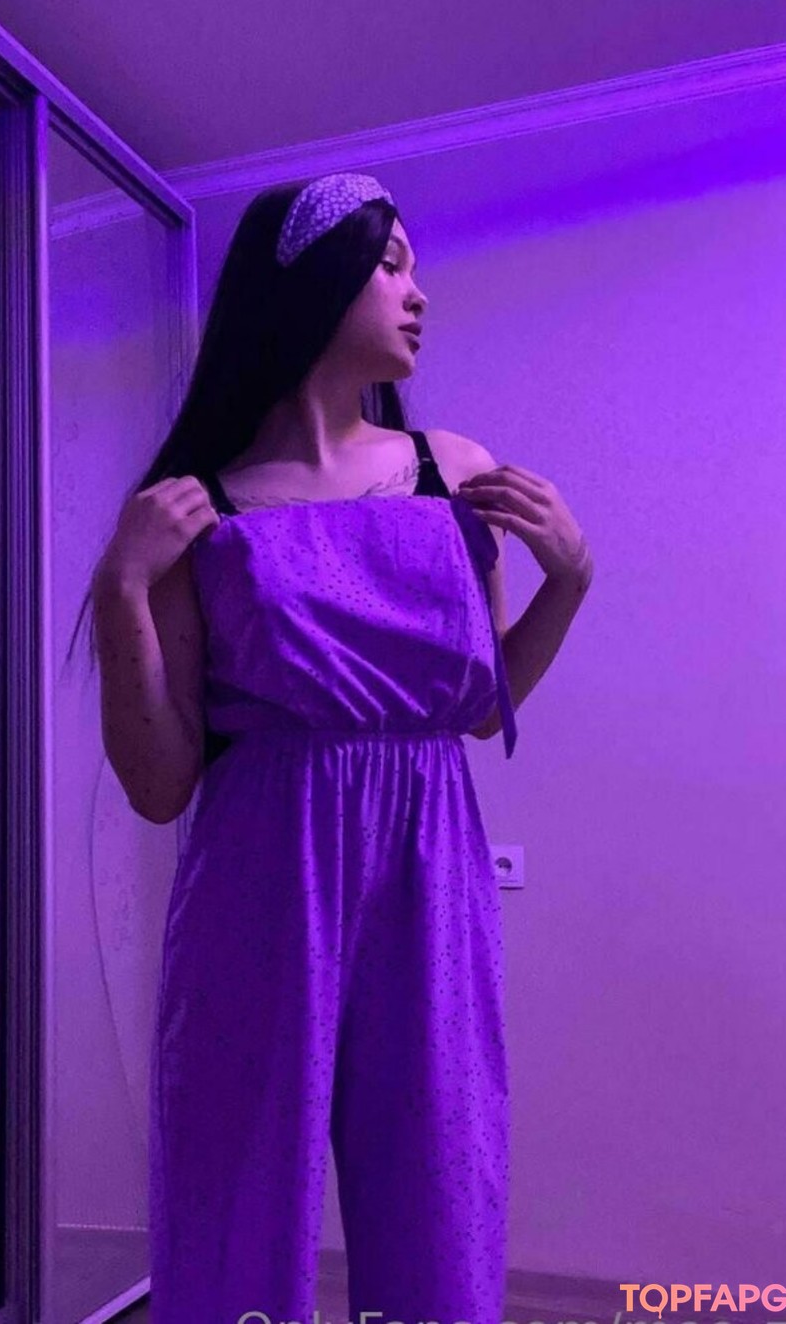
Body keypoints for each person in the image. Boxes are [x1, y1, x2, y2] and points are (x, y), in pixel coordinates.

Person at [70, 172, 593, 1324]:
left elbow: (478, 703)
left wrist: (571, 581)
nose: (418, 292)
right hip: (258, 871)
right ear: (311, 281)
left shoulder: (452, 472)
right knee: (232, 1160)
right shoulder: (197, 509)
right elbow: (159, 781)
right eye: (391, 263)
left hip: (429, 863)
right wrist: (120, 584)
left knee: (441, 1157)